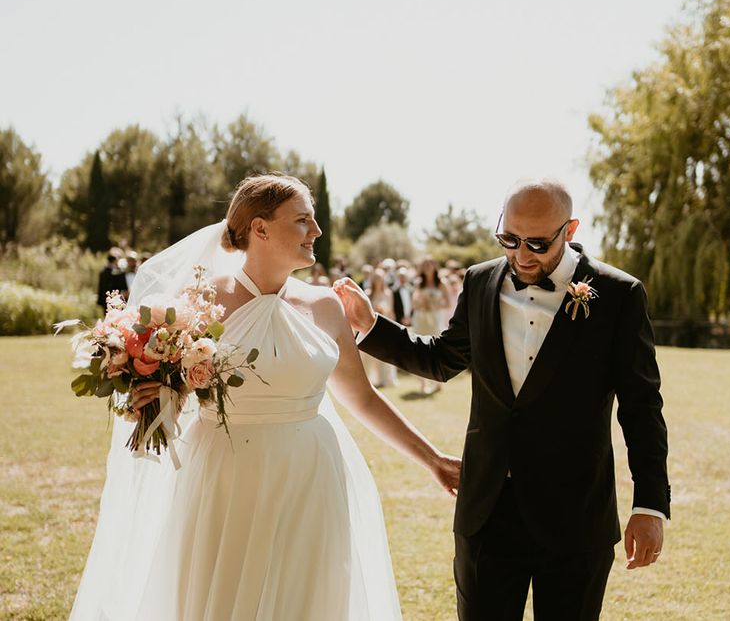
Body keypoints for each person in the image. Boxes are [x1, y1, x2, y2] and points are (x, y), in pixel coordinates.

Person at [70, 174, 461, 621]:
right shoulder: (200, 301)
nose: (316, 232)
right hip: (227, 475)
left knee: (308, 598)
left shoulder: (325, 306)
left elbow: (364, 399)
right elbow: (170, 393)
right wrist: (154, 398)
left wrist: (433, 460)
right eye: (303, 221)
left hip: (312, 475)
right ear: (260, 228)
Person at [334, 180, 671, 621]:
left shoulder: (619, 295)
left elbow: (641, 408)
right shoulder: (479, 282)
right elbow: (442, 359)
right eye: (509, 239)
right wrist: (374, 326)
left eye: (536, 242)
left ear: (570, 231)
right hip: (486, 512)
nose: (522, 254)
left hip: (575, 516)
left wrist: (649, 506)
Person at [409, 256, 449, 395]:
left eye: (429, 264)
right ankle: (423, 384)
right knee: (419, 349)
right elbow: (413, 304)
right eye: (424, 264)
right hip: (420, 318)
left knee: (435, 349)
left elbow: (448, 303)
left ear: (434, 266)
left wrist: (434, 305)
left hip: (435, 318)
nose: (426, 267)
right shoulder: (419, 283)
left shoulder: (441, 283)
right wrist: (421, 304)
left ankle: (438, 381)